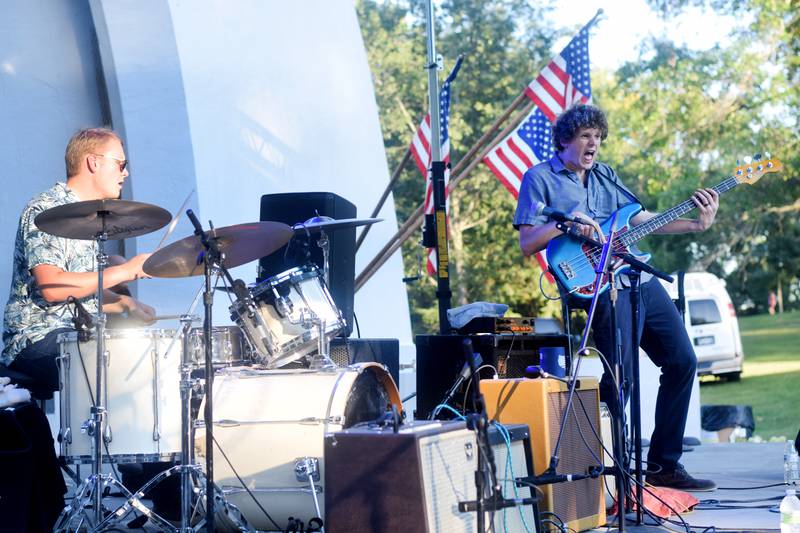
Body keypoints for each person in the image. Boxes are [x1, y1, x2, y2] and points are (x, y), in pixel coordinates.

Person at [514, 104, 717, 492]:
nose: (594, 144)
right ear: (565, 140)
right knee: (619, 379)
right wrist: (565, 223)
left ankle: (664, 465)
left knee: (682, 361)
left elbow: (640, 220)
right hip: (596, 284)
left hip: (635, 275)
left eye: (598, 138)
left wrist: (695, 223)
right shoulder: (539, 178)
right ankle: (612, 473)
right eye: (586, 136)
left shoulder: (606, 175)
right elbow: (528, 241)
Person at [2, 127, 156, 393]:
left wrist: (123, 302)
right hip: (37, 338)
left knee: (145, 355)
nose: (125, 173)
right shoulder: (46, 209)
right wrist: (125, 271)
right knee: (122, 365)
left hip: (77, 331)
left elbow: (80, 293)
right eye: (121, 164)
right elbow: (53, 288)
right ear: (93, 162)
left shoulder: (88, 216)